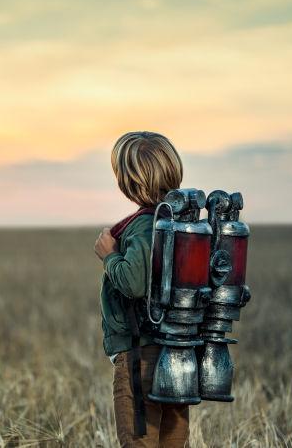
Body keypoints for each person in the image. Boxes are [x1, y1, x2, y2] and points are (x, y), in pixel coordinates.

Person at [94, 131, 189, 448]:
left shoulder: (146, 225)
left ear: (129, 183)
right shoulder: (177, 223)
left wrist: (110, 255)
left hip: (141, 358)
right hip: (175, 356)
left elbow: (134, 282)